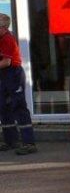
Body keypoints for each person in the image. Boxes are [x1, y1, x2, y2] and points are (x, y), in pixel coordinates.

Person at [0, 13, 36, 154]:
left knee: (19, 107)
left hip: (13, 74)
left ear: (3, 27)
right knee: (4, 107)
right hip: (4, 74)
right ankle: (11, 140)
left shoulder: (8, 39)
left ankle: (29, 143)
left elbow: (6, 62)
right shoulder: (2, 38)